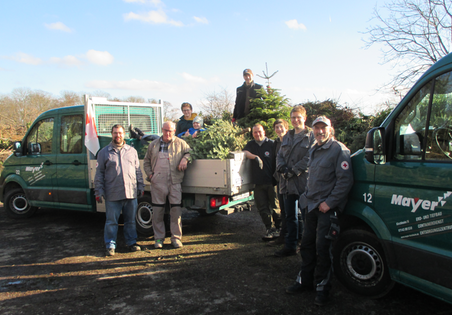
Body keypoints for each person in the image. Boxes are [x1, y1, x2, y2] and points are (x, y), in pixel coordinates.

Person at [285, 116, 353, 306]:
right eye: (317, 128)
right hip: (311, 206)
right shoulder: (314, 148)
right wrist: (305, 198)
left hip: (326, 209)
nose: (320, 131)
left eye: (324, 128)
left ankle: (323, 289)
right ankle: (305, 282)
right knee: (307, 245)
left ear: (330, 129)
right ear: (313, 130)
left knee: (323, 249)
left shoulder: (339, 150)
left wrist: (329, 203)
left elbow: (345, 181)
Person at [94, 124, 145, 256]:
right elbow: (99, 173)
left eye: (120, 133)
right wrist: (99, 191)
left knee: (130, 221)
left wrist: (140, 186)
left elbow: (138, 171)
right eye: (115, 133)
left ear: (124, 135)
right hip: (113, 194)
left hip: (130, 193)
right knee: (111, 222)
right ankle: (110, 245)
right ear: (112, 134)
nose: (118, 135)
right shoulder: (104, 152)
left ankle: (131, 242)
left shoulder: (131, 151)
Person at [143, 121, 191, 249]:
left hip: (175, 182)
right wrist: (151, 175)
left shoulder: (181, 143)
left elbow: (190, 152)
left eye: (170, 131)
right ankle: (159, 239)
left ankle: (176, 238)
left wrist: (185, 159)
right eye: (165, 130)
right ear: (162, 130)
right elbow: (146, 161)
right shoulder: (153, 145)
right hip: (158, 183)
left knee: (176, 212)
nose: (168, 133)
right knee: (158, 212)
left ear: (174, 131)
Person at [274, 105, 314, 257]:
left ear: (304, 118)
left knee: (305, 216)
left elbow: (310, 157)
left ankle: (305, 246)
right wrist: (283, 168)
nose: (296, 120)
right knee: (290, 216)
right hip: (287, 184)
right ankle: (290, 246)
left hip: (303, 183)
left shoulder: (310, 136)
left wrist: (294, 170)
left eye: (298, 117)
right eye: (293, 118)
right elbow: (279, 155)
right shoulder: (288, 136)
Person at [243, 124, 281, 240]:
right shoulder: (251, 144)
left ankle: (280, 229)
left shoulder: (272, 144)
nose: (257, 134)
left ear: (264, 132)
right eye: (255, 132)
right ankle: (270, 229)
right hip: (258, 183)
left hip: (272, 182)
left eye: (259, 131)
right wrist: (255, 157)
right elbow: (245, 152)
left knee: (275, 207)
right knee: (262, 207)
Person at [268, 118, 289, 246]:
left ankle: (295, 240)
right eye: (276, 127)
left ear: (286, 128)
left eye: (281, 127)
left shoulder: (290, 141)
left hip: (290, 179)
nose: (279, 130)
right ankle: (283, 236)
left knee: (292, 212)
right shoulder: (276, 143)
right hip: (280, 180)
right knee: (283, 210)